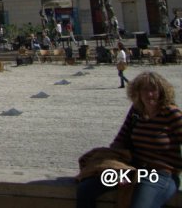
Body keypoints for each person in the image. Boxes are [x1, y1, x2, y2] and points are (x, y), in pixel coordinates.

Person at [76, 71, 182, 207]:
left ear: (162, 92)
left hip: (161, 173)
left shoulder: (171, 113)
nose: (150, 94)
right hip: (132, 170)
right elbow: (120, 140)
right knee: (86, 189)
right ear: (137, 92)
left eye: (153, 90)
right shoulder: (136, 111)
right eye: (145, 90)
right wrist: (116, 168)